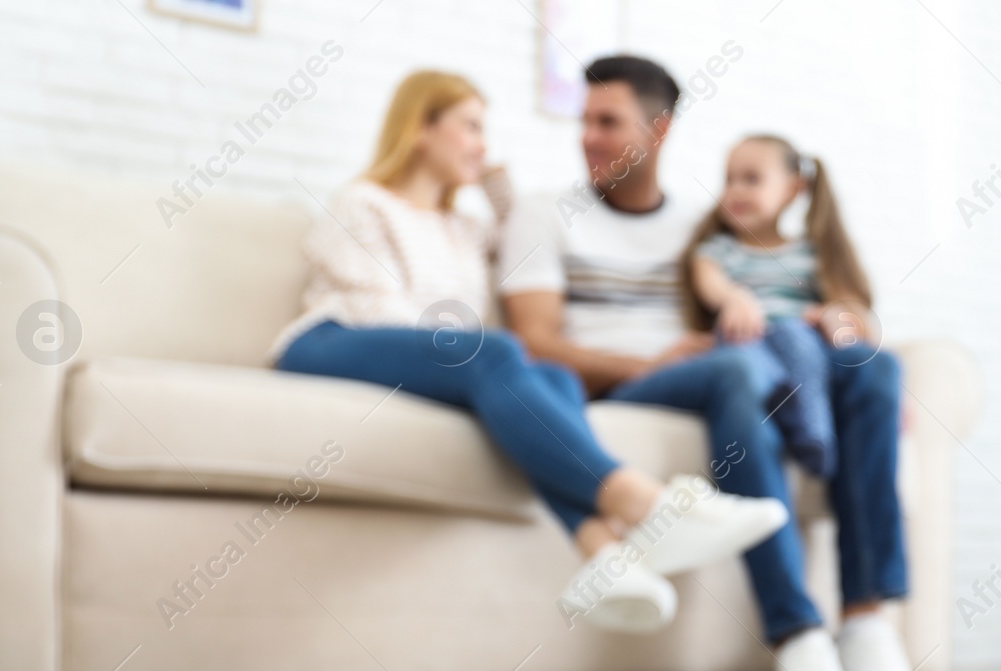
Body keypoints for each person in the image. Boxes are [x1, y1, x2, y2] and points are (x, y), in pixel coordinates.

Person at [269, 70, 785, 635]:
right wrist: (465, 367)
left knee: (553, 380)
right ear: (420, 129)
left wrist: (490, 186)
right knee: (493, 353)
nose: (481, 144)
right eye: (468, 127)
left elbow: (519, 233)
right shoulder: (363, 202)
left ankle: (603, 558)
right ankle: (643, 502)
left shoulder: (465, 228)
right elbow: (378, 315)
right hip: (332, 342)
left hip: (435, 357)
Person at [499, 55, 934, 671]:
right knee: (740, 368)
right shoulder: (544, 214)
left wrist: (851, 334)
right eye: (585, 120)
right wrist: (649, 365)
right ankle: (797, 635)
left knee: (873, 370)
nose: (588, 135)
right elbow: (531, 343)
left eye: (608, 121)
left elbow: (793, 291)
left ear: (660, 128)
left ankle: (869, 619)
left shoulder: (703, 230)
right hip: (628, 385)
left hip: (726, 371)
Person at [681, 134, 869, 481]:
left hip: (798, 338)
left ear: (792, 189)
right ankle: (786, 404)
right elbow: (710, 283)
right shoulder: (718, 250)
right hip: (745, 337)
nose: (735, 190)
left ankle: (811, 429)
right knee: (744, 360)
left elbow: (856, 317)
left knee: (796, 336)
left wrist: (831, 318)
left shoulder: (809, 254)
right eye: (729, 180)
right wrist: (734, 298)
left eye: (751, 179)